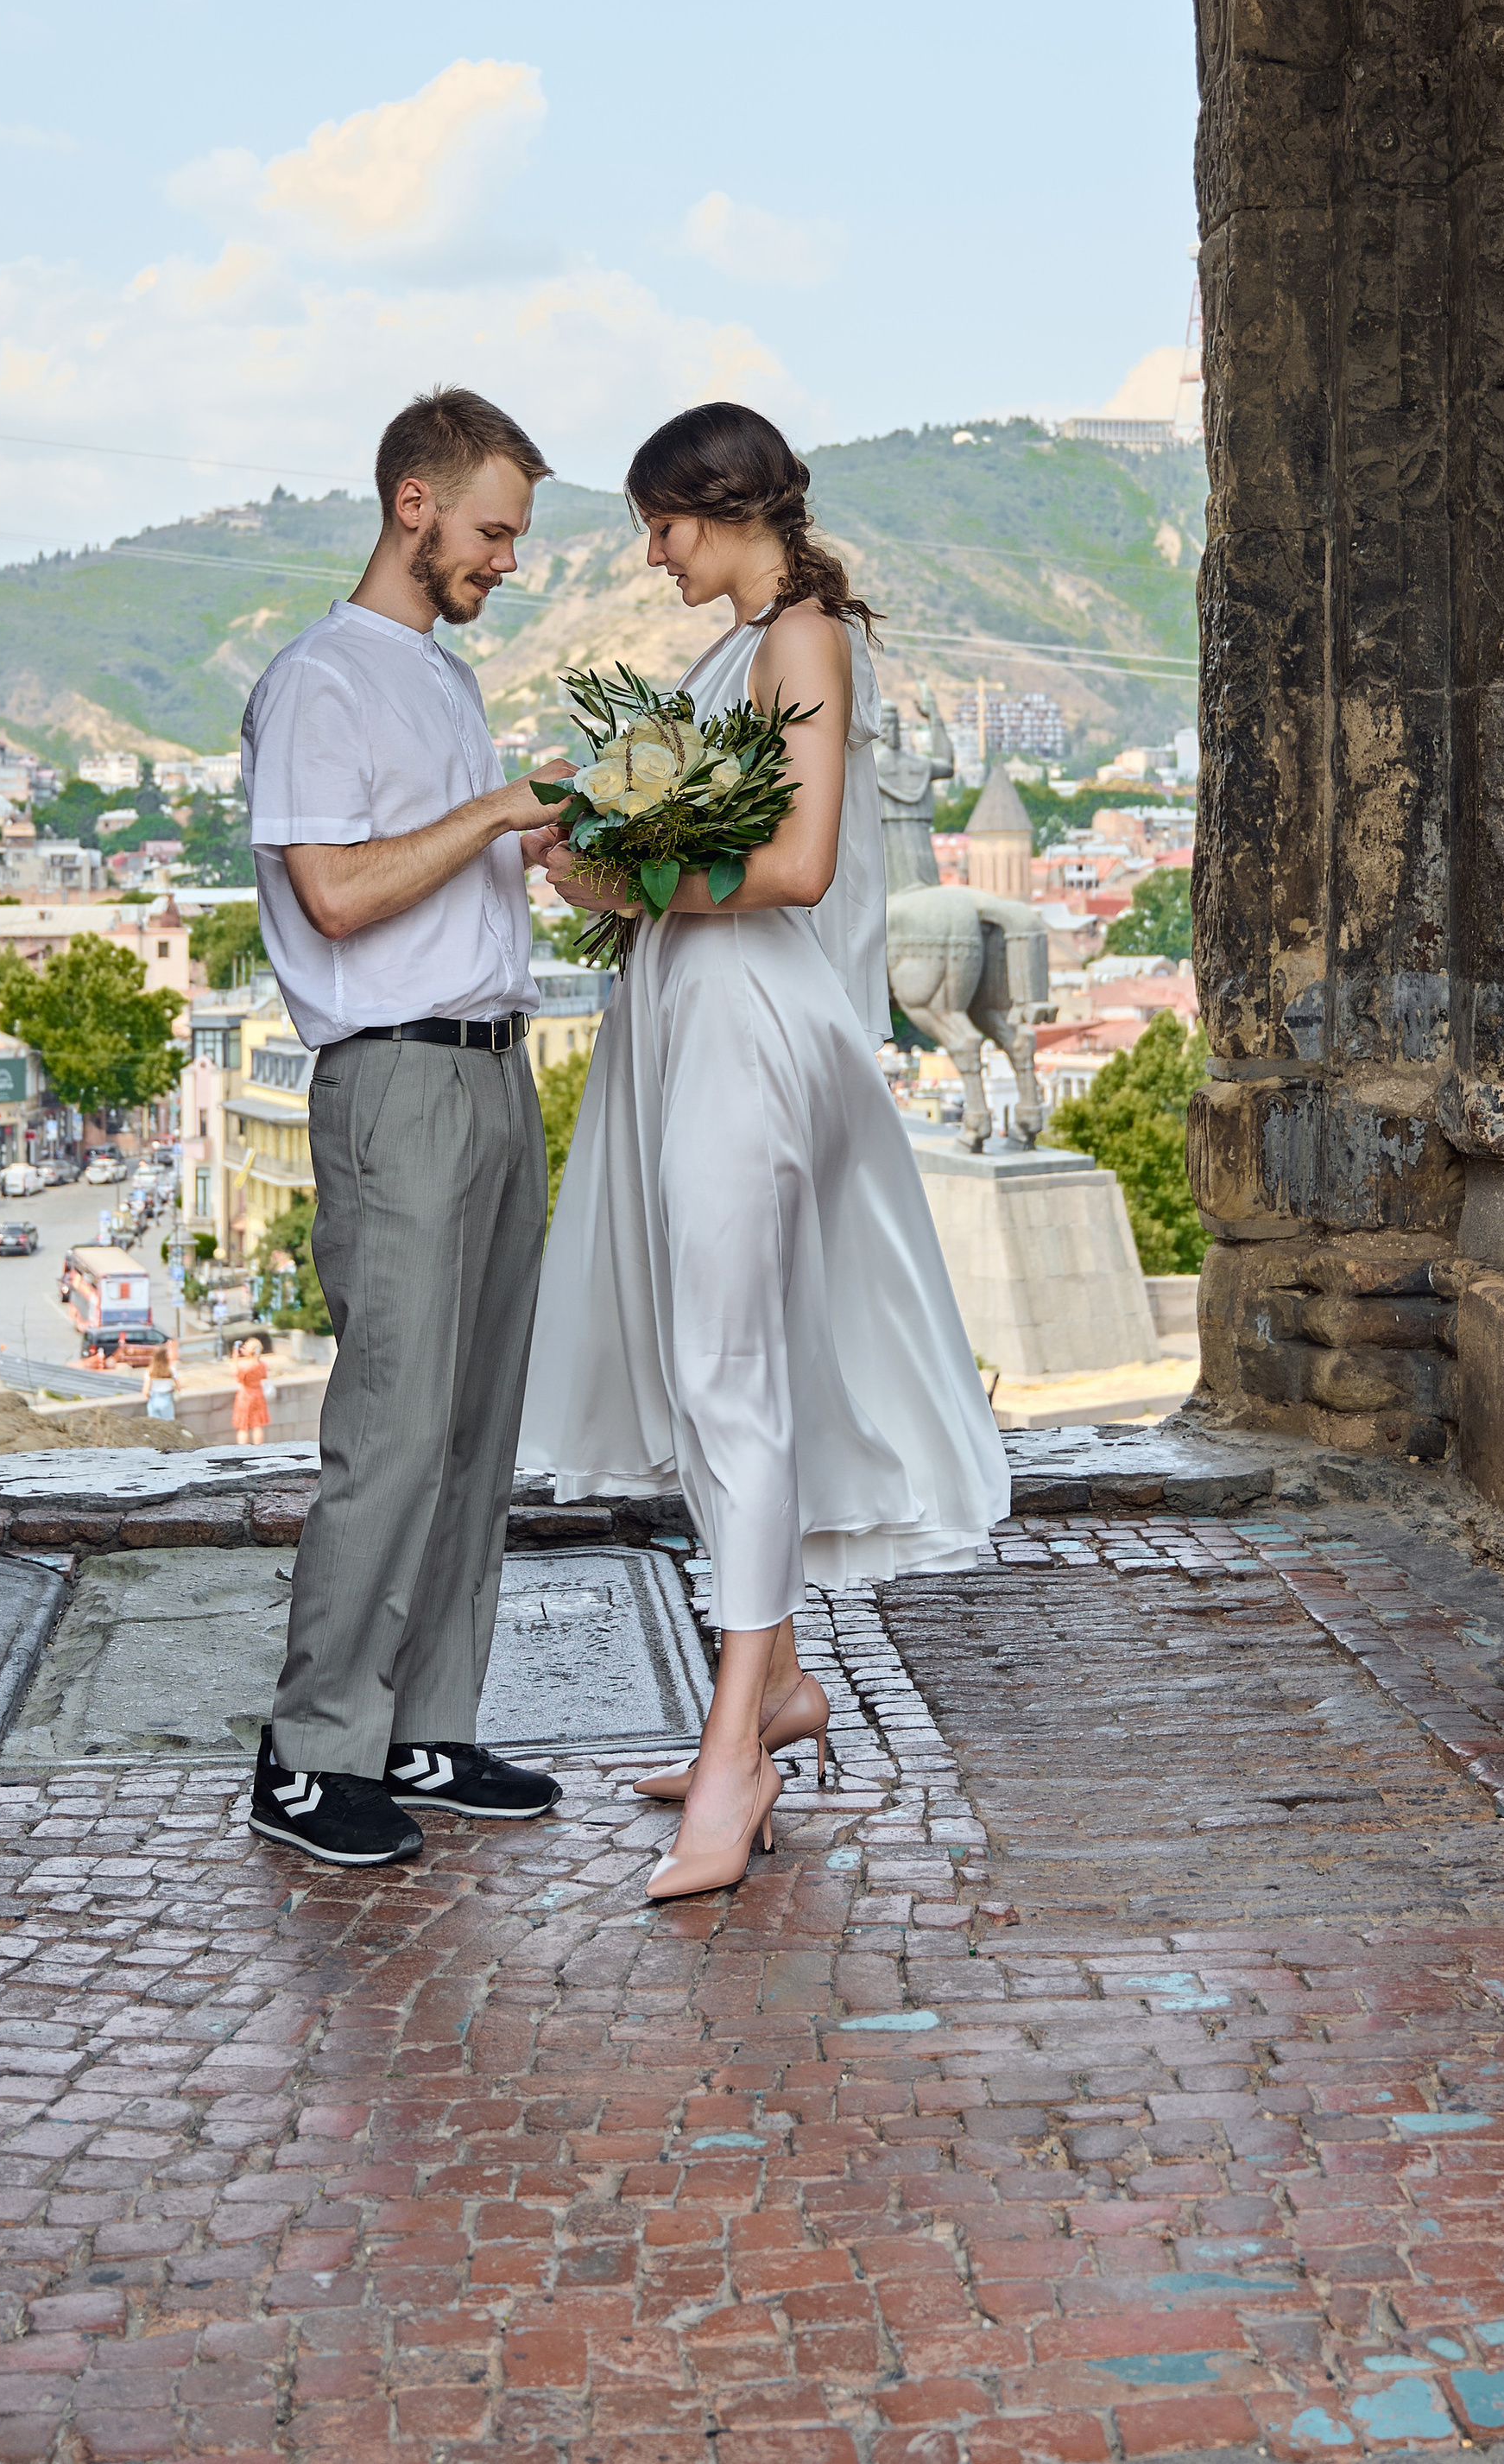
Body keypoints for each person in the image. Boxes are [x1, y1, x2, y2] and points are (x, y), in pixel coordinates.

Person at [521, 402, 1010, 1903]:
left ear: (720, 506)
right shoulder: (732, 652)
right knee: (723, 1352)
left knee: (731, 1368)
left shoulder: (802, 638)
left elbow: (793, 864)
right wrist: (602, 859)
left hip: (749, 1020)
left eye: (661, 528)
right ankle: (777, 1678)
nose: (654, 559)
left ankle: (735, 1752)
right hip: (696, 1013)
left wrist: (630, 868)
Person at [238, 385, 566, 1871]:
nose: (509, 559)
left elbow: (446, 867)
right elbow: (338, 894)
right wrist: (499, 810)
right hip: (397, 1086)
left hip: (496, 1074)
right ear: (415, 505)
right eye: (495, 529)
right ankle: (310, 1756)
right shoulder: (322, 678)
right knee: (390, 1429)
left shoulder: (439, 676)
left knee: (477, 1424)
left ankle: (423, 1722)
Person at [231, 1329, 271, 1445]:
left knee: (243, 1426)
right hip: (258, 1395)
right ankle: (258, 1448)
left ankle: (243, 1449)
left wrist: (235, 1357)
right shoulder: (262, 1364)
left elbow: (235, 1374)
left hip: (245, 1396)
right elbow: (264, 1376)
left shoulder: (245, 1367)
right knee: (257, 1425)